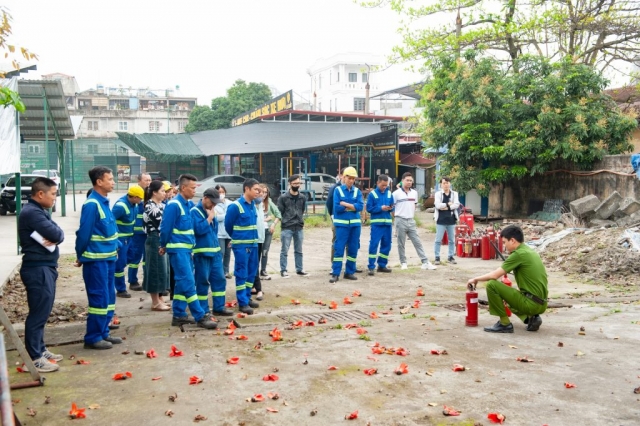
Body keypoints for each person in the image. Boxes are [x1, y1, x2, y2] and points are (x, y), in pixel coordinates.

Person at [18, 177, 65, 372]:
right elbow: (57, 235)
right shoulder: (32, 213)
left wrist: (55, 234)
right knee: (38, 313)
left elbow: (55, 234)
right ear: (40, 194)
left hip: (44, 266)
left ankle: (40, 348)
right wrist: (56, 234)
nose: (55, 198)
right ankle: (34, 357)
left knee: (43, 311)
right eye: (53, 194)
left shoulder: (38, 211)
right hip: (37, 269)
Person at [159, 174, 217, 329]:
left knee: (181, 283)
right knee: (189, 282)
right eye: (192, 188)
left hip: (186, 250)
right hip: (178, 250)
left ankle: (179, 314)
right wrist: (162, 244)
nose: (194, 191)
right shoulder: (174, 205)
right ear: (183, 188)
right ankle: (199, 316)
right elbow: (165, 227)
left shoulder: (188, 205)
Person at [467, 225, 548, 333]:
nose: (504, 246)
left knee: (492, 284)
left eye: (505, 242)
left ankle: (504, 324)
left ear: (513, 241)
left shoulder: (518, 254)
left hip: (531, 304)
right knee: (507, 297)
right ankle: (530, 319)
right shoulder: (529, 251)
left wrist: (475, 279)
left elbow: (495, 275)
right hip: (542, 304)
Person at [75, 166, 123, 350]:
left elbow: (110, 231)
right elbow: (84, 234)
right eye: (110, 179)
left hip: (109, 259)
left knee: (109, 296)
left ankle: (103, 332)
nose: (113, 182)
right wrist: (81, 255)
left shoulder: (104, 202)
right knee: (99, 298)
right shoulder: (92, 205)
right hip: (96, 261)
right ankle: (93, 337)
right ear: (99, 182)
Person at [191, 187, 233, 316]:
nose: (214, 205)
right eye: (212, 202)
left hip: (214, 253)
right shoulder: (195, 211)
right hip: (202, 254)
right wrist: (210, 217)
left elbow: (214, 232)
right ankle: (203, 310)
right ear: (205, 198)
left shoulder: (211, 209)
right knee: (202, 281)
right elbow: (199, 230)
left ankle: (219, 307)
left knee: (219, 279)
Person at [224, 178, 262, 315]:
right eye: (256, 190)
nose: (258, 192)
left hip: (253, 244)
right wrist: (237, 238)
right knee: (242, 273)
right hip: (241, 246)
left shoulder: (252, 205)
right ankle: (242, 302)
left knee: (252, 272)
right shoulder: (235, 206)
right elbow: (228, 226)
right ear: (247, 189)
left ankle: (246, 297)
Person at [392, 172, 437, 271]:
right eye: (407, 180)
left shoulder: (414, 193)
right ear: (402, 180)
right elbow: (392, 208)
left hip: (411, 220)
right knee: (401, 243)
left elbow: (414, 205)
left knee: (417, 242)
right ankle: (403, 262)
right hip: (400, 220)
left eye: (411, 181)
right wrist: (396, 220)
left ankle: (425, 262)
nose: (409, 182)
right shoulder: (396, 194)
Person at [330, 167, 364, 283]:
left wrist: (345, 204)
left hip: (355, 225)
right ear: (344, 177)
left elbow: (360, 207)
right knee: (339, 249)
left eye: (353, 179)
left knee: (353, 249)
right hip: (341, 226)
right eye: (349, 178)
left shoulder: (357, 191)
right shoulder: (337, 190)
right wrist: (352, 207)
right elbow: (337, 208)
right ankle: (335, 273)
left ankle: (349, 272)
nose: (351, 181)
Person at [111, 185, 144, 298]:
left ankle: (113, 272)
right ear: (134, 197)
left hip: (130, 238)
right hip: (121, 239)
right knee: (120, 264)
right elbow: (110, 221)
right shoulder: (121, 206)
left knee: (129, 258)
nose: (141, 201)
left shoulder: (134, 204)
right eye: (140, 198)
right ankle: (120, 289)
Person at [142, 180, 170, 311]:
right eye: (162, 191)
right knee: (155, 269)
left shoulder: (162, 205)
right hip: (154, 240)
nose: (165, 193)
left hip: (161, 240)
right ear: (154, 192)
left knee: (163, 270)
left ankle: (160, 298)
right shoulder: (151, 206)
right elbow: (162, 225)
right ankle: (155, 301)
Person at [277, 174, 309, 278]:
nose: (297, 185)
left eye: (298, 183)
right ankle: (283, 270)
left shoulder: (302, 197)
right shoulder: (283, 198)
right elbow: (280, 212)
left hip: (299, 226)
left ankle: (299, 269)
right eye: (295, 183)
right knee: (284, 250)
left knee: (299, 250)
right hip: (287, 227)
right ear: (290, 184)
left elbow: (302, 210)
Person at [127, 173, 151, 291]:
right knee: (136, 257)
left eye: (150, 180)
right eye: (146, 180)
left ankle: (147, 280)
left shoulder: (150, 195)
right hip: (137, 233)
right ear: (139, 180)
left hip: (148, 232)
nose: (148, 182)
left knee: (147, 258)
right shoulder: (135, 195)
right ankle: (133, 281)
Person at [366, 174, 394, 275]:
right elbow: (369, 208)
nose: (384, 187)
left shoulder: (389, 194)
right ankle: (371, 267)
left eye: (386, 185)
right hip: (377, 224)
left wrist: (391, 208)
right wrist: (380, 208)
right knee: (374, 244)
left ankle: (382, 265)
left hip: (387, 224)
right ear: (378, 183)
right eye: (382, 185)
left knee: (386, 245)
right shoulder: (372, 194)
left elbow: (392, 206)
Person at [433, 177, 460, 265]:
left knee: (452, 240)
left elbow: (456, 204)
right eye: (444, 183)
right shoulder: (438, 194)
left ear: (450, 183)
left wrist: (446, 207)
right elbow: (437, 205)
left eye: (447, 183)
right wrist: (448, 204)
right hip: (441, 219)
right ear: (441, 184)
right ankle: (437, 257)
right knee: (438, 240)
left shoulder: (454, 193)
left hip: (451, 219)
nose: (446, 184)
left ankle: (450, 256)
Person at [259, 184, 281, 278]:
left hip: (267, 230)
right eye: (262, 192)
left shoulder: (269, 202)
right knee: (256, 252)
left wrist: (273, 224)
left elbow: (278, 215)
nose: (264, 194)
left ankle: (263, 270)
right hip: (258, 231)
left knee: (265, 251)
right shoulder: (255, 203)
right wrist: (265, 219)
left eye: (265, 192)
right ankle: (254, 271)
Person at [214, 184, 234, 279]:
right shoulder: (214, 204)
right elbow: (216, 218)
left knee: (227, 253)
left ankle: (226, 271)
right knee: (221, 252)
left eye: (223, 192)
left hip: (229, 234)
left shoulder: (230, 203)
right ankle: (219, 271)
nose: (221, 194)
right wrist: (225, 215)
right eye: (219, 192)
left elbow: (233, 217)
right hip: (220, 233)